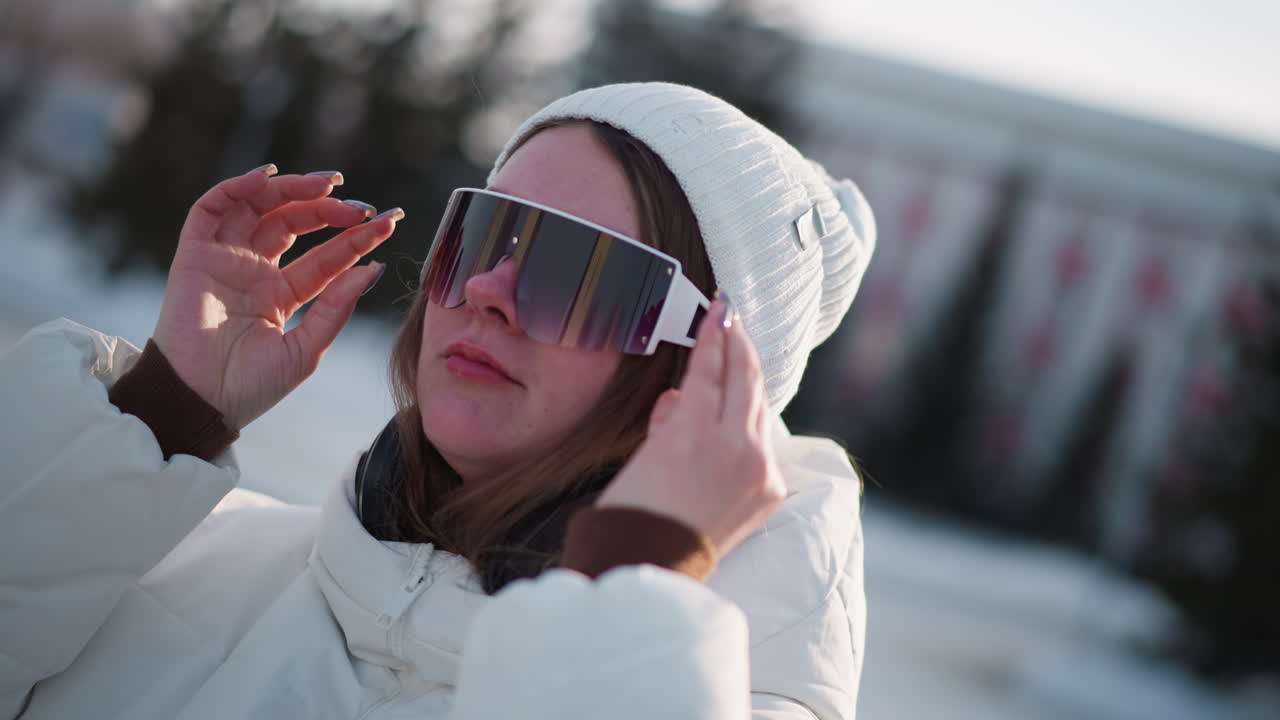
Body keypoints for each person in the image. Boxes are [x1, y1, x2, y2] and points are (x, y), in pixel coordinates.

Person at [0, 83, 875, 719]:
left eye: (578, 271)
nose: (489, 287)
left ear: (707, 377)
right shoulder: (174, 563)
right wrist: (161, 414)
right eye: (488, 233)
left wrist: (634, 578)